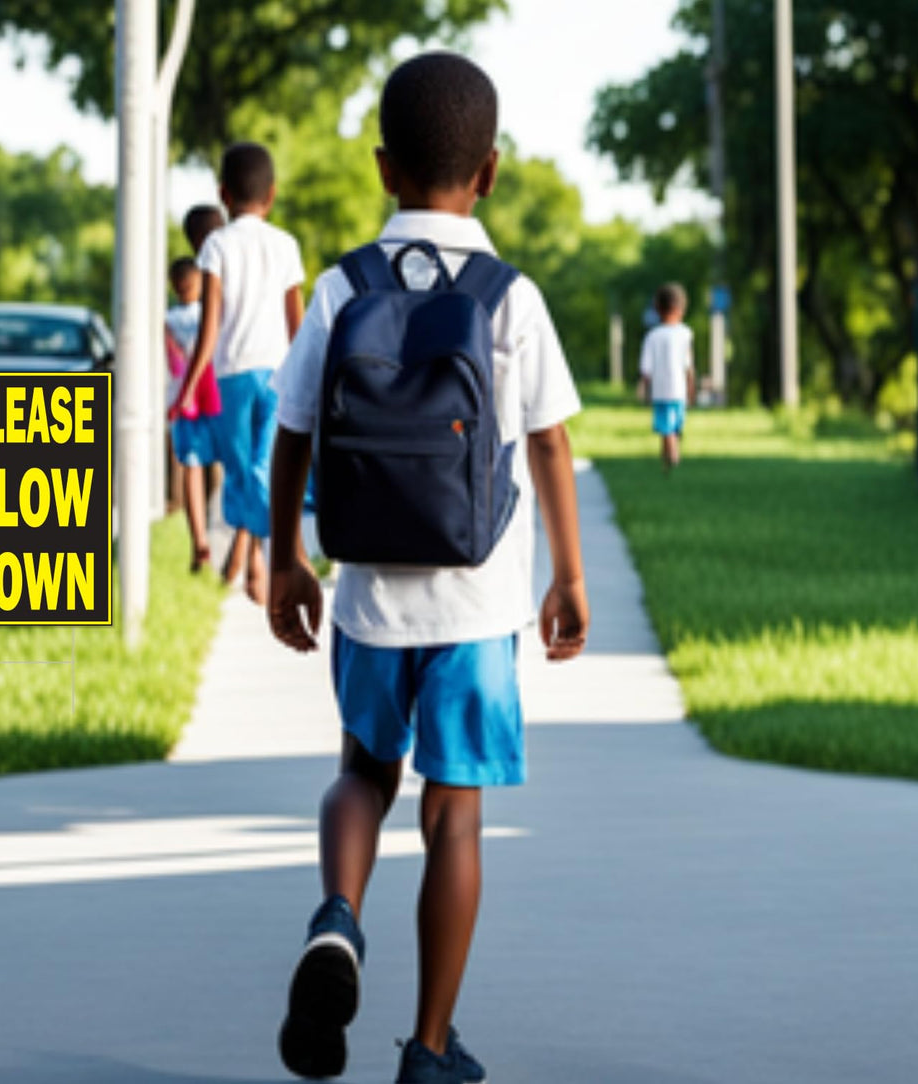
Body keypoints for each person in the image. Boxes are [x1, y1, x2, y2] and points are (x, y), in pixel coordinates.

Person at [267, 53, 589, 1084]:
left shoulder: (337, 286)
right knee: (452, 810)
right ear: (488, 171)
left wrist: (283, 561)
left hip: (366, 594)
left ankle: (334, 918)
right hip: (477, 601)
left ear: (379, 167)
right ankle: (430, 1050)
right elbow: (546, 443)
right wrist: (567, 576)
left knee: (361, 771)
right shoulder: (510, 297)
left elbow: (291, 434)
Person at [172, 144, 305, 604]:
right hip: (279, 376)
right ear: (271, 196)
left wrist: (187, 389)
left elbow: (209, 328)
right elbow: (298, 328)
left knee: (241, 473)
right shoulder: (286, 245)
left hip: (231, 377)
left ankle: (259, 558)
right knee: (262, 470)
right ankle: (258, 561)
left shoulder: (216, 245)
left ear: (223, 194)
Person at [164, 256, 222, 572]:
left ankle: (201, 534)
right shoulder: (208, 313)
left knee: (193, 465)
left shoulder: (169, 320)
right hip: (207, 391)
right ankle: (204, 533)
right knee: (205, 465)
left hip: (190, 394)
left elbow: (173, 362)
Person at [638, 283, 695, 473]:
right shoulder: (685, 333)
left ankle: (668, 459)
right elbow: (688, 364)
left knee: (666, 429)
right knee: (674, 427)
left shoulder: (652, 336)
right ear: (681, 309)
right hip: (679, 391)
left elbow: (646, 369)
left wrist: (644, 389)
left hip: (660, 390)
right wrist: (691, 387)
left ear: (657, 308)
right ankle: (673, 458)